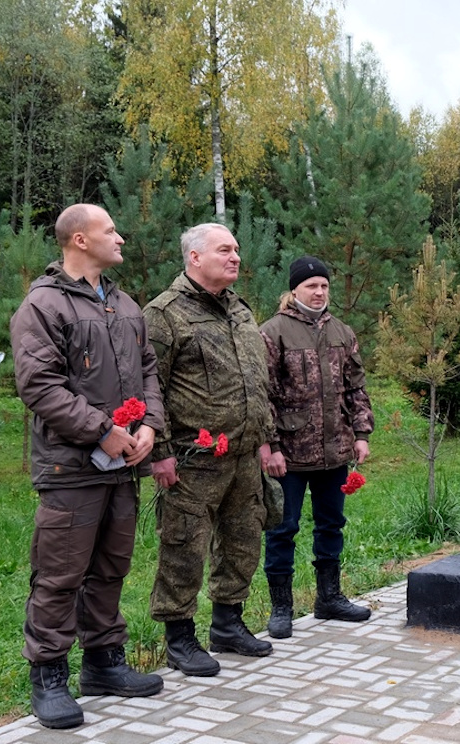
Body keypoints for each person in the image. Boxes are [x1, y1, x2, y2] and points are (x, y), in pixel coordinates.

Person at [10, 204, 164, 729]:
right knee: (59, 575)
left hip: (122, 467)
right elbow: (39, 387)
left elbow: (148, 375)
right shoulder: (44, 306)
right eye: (110, 231)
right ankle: (49, 674)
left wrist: (148, 427)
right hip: (71, 470)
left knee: (112, 567)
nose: (120, 238)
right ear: (79, 240)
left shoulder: (124, 305)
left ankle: (102, 663)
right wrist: (102, 429)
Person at [143, 223, 277, 676]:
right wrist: (158, 451)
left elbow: (257, 381)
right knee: (184, 546)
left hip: (242, 454)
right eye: (225, 249)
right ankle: (179, 636)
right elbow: (149, 387)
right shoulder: (164, 314)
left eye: (237, 249)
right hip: (192, 459)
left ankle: (228, 624)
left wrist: (264, 439)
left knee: (243, 539)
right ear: (195, 257)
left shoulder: (239, 309)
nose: (236, 256)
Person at [260, 256, 375, 637]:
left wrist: (361, 434)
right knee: (282, 528)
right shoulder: (273, 332)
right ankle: (281, 609)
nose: (319, 291)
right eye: (311, 285)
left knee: (331, 524)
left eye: (324, 285)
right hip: (289, 454)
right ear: (294, 290)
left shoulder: (342, 331)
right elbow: (263, 394)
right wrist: (270, 445)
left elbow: (356, 387)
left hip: (334, 450)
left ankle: (329, 598)